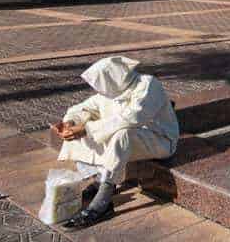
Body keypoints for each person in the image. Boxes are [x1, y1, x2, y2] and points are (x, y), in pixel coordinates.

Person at [51, 56, 179, 228]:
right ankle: (99, 178)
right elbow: (83, 108)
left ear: (112, 78)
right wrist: (70, 123)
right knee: (87, 132)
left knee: (120, 135)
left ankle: (103, 201)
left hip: (160, 140)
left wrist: (87, 128)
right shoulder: (112, 92)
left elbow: (133, 117)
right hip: (134, 141)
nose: (99, 89)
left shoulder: (147, 84)